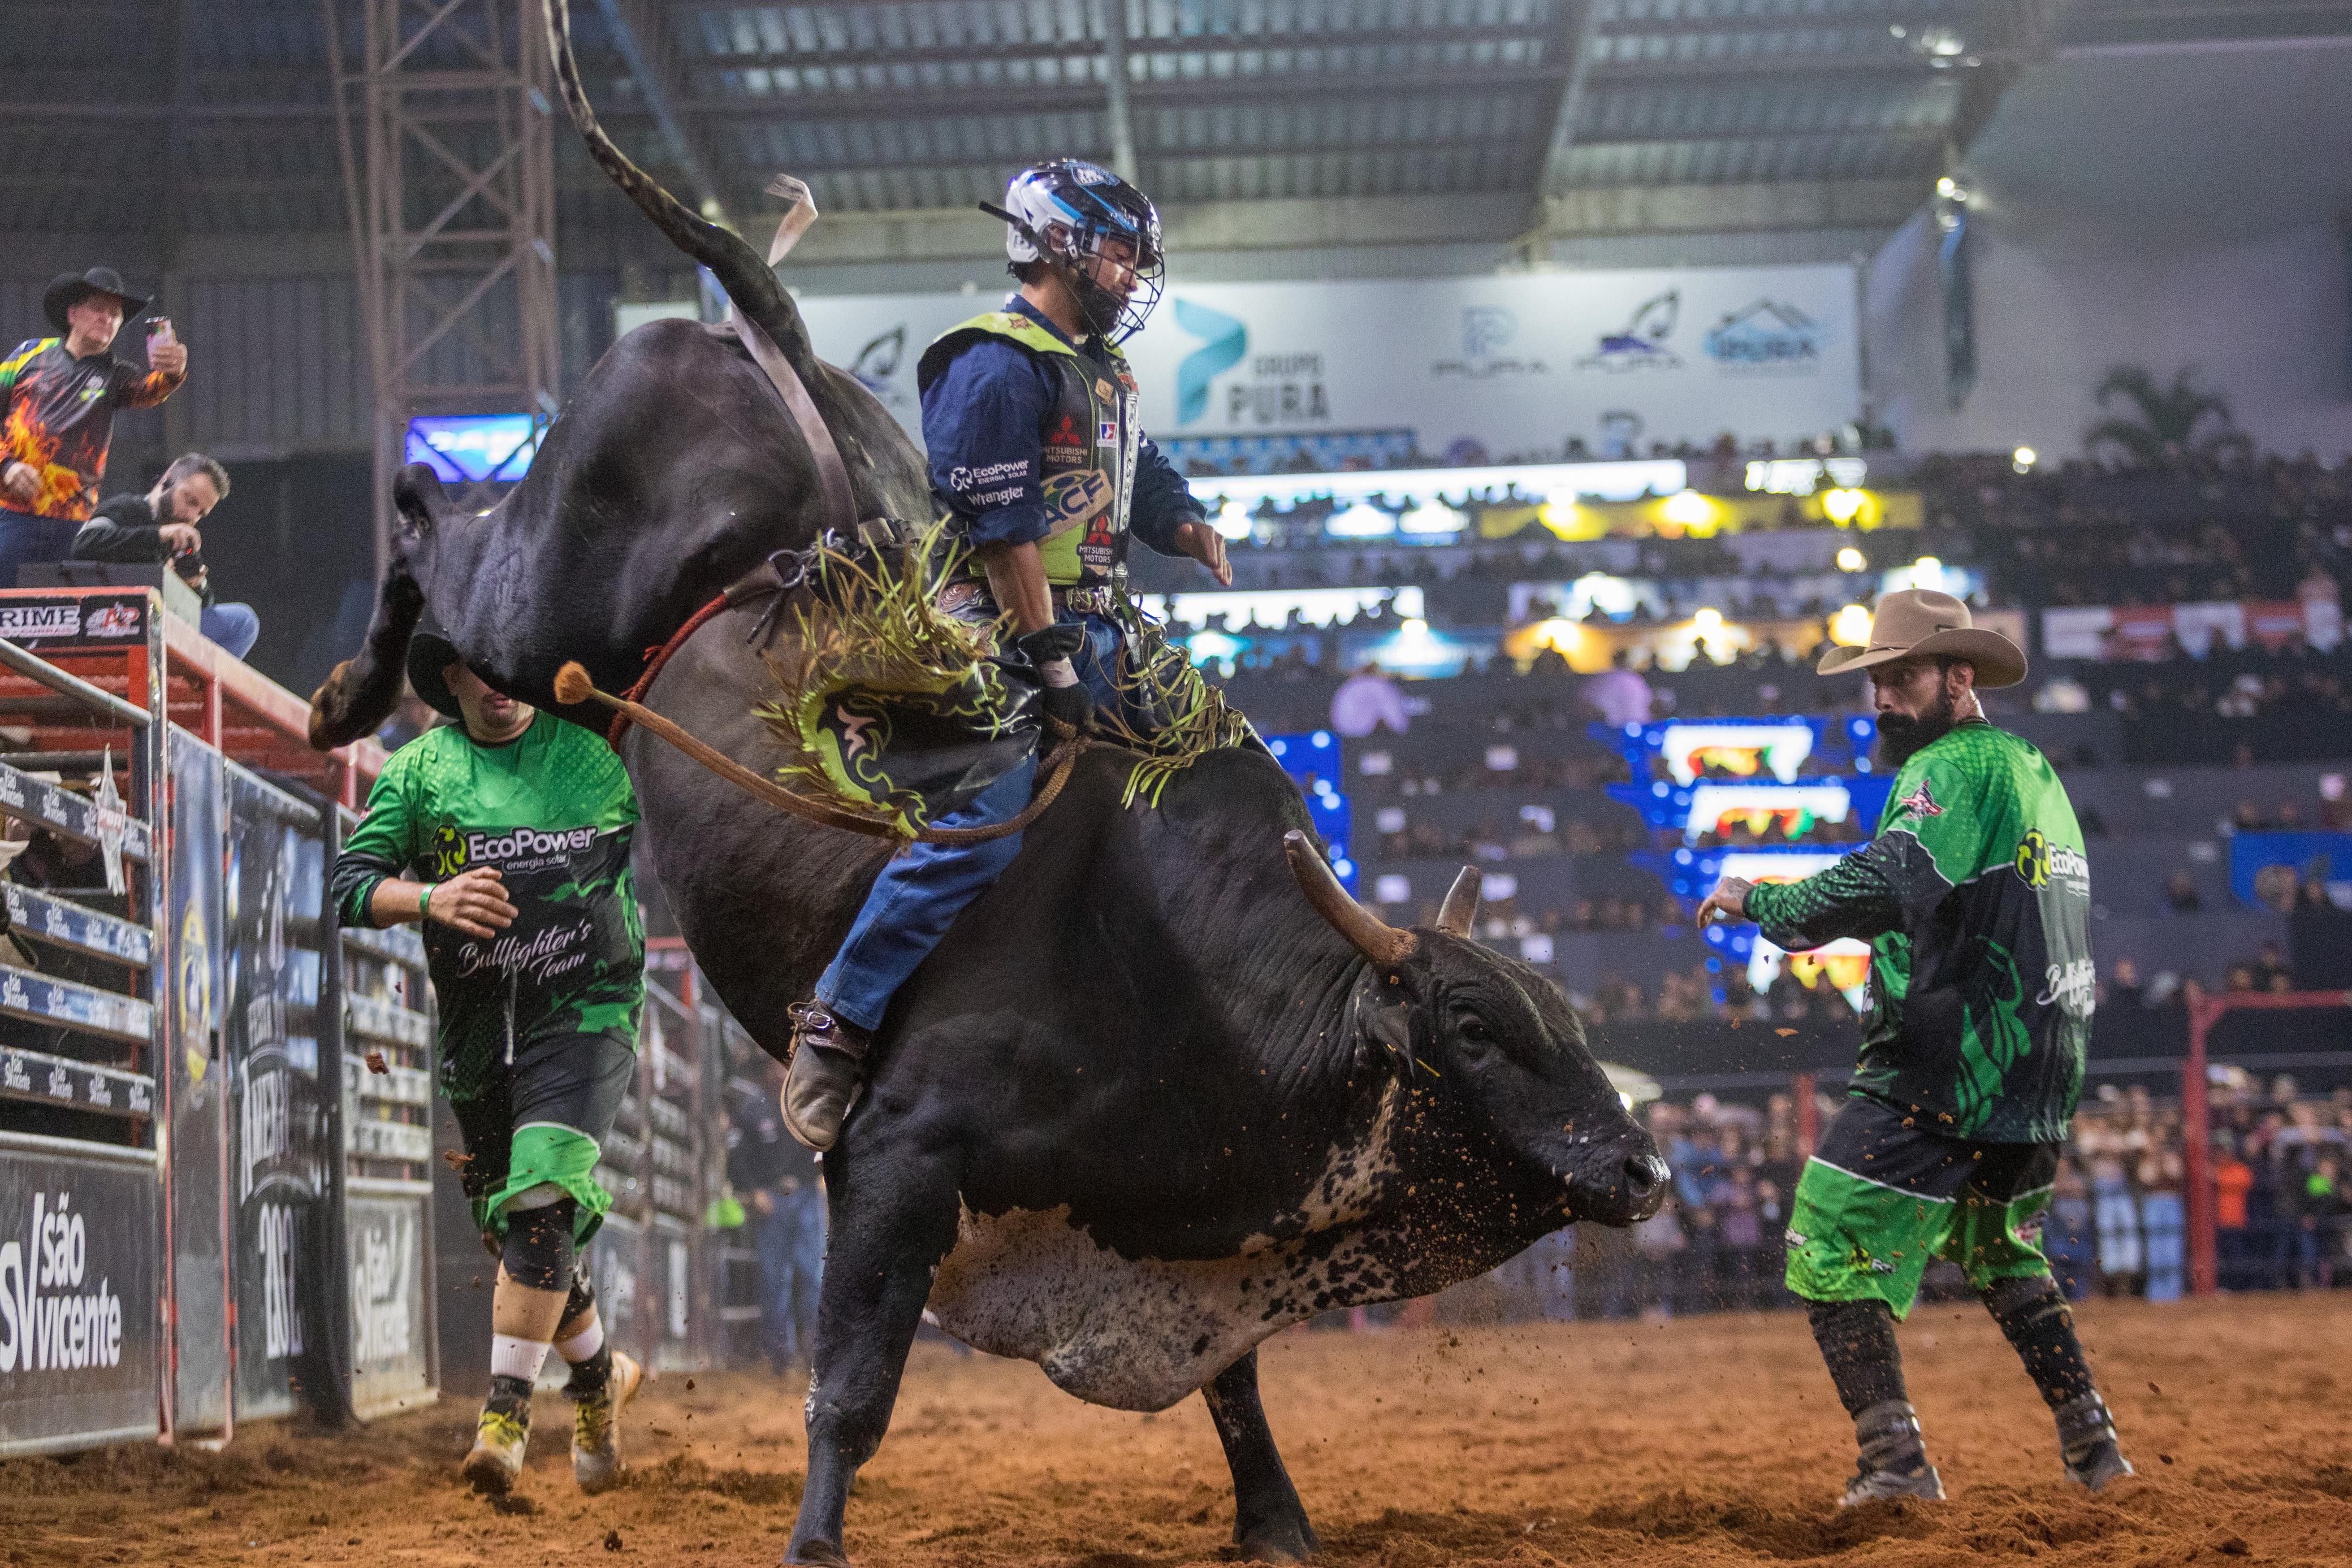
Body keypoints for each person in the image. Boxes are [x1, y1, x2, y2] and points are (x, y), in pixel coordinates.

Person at [781, 158, 1233, 1151]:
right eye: (1116, 252)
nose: (1130, 274)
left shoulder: (1102, 368)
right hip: (994, 628)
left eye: (1135, 256)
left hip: (1102, 624)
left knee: (1219, 769)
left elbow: (1138, 467)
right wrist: (1053, 665)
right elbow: (1004, 534)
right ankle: (839, 1019)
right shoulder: (992, 362)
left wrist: (1185, 521)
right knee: (984, 820)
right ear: (1059, 246)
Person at [1696, 589, 2130, 1506]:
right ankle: (2094, 1443)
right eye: (1877, 681)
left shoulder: (1952, 766)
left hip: (1949, 1058)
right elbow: (1952, 899)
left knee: (1826, 1234)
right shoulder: (2030, 767)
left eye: (1903, 677)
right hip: (2042, 1062)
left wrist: (1763, 900)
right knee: (2001, 1248)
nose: (1884, 697)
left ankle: (1895, 1459)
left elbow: (1897, 876)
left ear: (1959, 677)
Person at [328, 623, 647, 1496]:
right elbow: (349, 887)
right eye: (480, 666)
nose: (499, 681)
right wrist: (430, 896)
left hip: (586, 1012)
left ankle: (504, 1420)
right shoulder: (418, 773)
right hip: (477, 1033)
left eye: (512, 663)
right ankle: (598, 1380)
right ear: (452, 677)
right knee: (524, 1236)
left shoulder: (595, 755)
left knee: (540, 1198)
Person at [0, 267, 188, 583]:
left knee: (66, 609)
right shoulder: (28, 354)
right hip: (11, 511)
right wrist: (6, 466)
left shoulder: (117, 375)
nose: (108, 318)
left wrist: (175, 372)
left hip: (74, 523)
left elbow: (152, 389)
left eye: (116, 314)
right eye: (98, 308)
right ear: (73, 314)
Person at [72, 452, 259, 657]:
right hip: (115, 621)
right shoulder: (126, 508)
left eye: (201, 513)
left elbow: (204, 608)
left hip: (162, 626)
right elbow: (84, 543)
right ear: (168, 480)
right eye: (190, 501)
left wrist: (196, 585)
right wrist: (159, 535)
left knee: (243, 622)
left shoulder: (179, 541)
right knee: (244, 620)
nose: (192, 516)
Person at [726, 1055, 825, 1374]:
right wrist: (753, 1190)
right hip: (771, 1199)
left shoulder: (806, 1102)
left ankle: (816, 1353)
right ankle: (780, 1357)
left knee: (813, 1275)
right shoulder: (753, 1108)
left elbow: (824, 1144)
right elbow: (737, 1155)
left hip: (806, 1195)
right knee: (775, 1278)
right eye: (776, 1065)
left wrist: (820, 1178)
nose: (780, 1070)